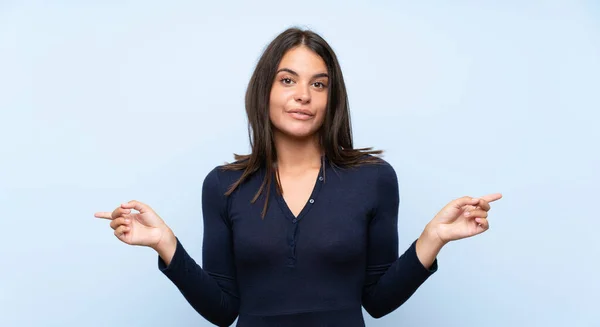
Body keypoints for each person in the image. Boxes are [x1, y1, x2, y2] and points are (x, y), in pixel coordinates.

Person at [94, 27, 502, 327]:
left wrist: (434, 238)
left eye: (318, 84)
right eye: (287, 80)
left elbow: (378, 301)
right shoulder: (223, 185)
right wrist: (165, 244)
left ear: (331, 99)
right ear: (265, 91)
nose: (303, 95)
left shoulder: (374, 179)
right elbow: (223, 310)